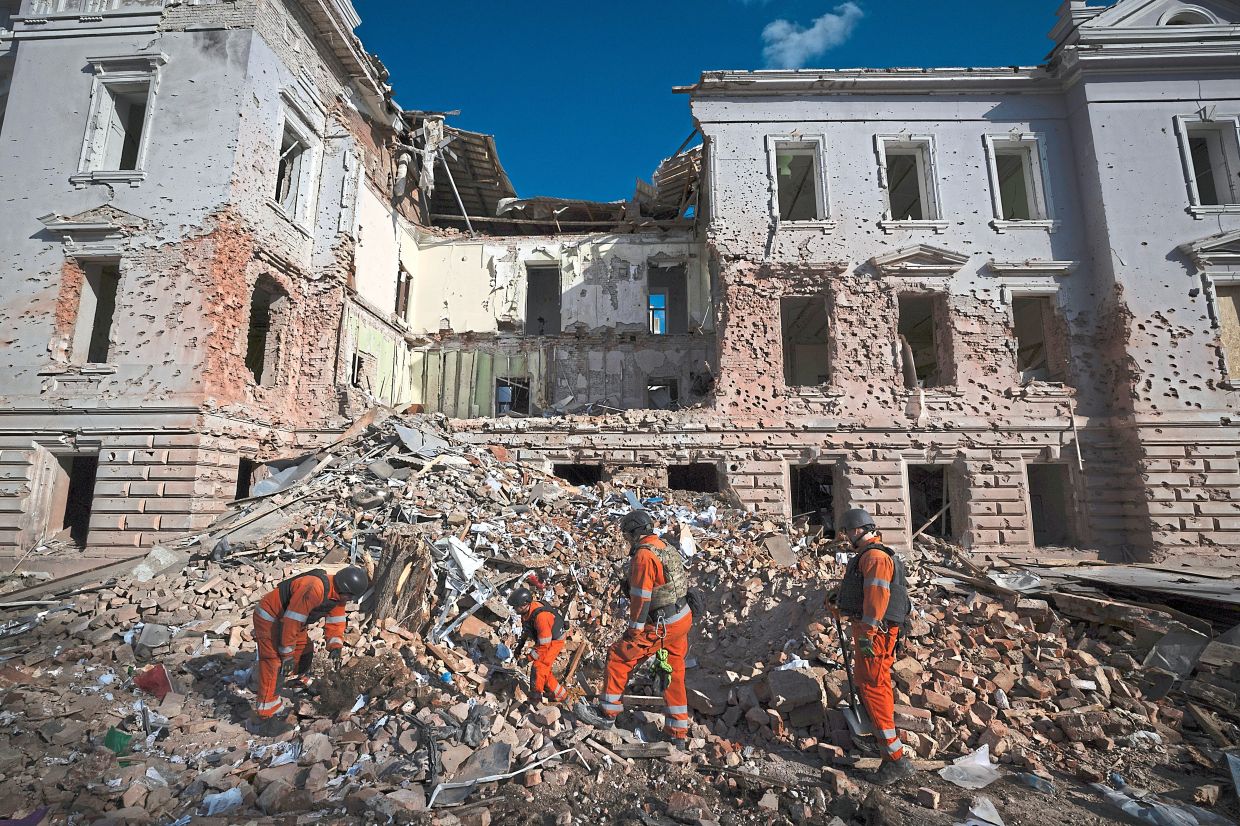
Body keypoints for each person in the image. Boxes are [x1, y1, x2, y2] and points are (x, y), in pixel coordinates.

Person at [575, 509, 692, 742]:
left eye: (627, 535)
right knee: (673, 671)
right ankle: (677, 733)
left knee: (619, 656)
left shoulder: (644, 556)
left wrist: (634, 630)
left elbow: (641, 597)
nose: (627, 540)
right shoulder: (665, 547)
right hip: (681, 618)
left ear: (635, 533)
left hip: (662, 623)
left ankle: (606, 713)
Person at [833, 507, 915, 785]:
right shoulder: (867, 557)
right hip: (870, 631)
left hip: (875, 634)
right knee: (871, 683)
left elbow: (877, 599)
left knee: (873, 685)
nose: (845, 537)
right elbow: (862, 592)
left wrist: (867, 632)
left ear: (858, 530)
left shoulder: (877, 557)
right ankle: (888, 747)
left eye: (847, 532)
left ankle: (895, 759)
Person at [249, 565, 370, 734]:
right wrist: (287, 654)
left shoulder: (336, 596)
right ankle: (266, 714)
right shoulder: (314, 588)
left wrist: (335, 646)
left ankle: (291, 680)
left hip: (292, 621)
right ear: (345, 590)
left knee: (305, 650)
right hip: (271, 617)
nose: (349, 600)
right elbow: (291, 622)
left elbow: (336, 621)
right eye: (350, 597)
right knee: (273, 662)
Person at [508, 586, 569, 704]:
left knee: (539, 667)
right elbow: (527, 629)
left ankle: (535, 699)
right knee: (544, 670)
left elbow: (544, 646)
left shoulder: (541, 617)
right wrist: (519, 647)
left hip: (554, 641)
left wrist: (528, 659)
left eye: (516, 606)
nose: (514, 609)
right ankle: (561, 695)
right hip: (546, 639)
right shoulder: (527, 612)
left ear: (525, 604)